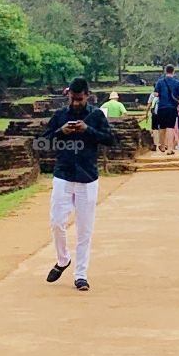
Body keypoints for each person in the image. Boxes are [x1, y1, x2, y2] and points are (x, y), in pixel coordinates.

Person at [44, 78, 115, 291]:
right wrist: (61, 132)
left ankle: (81, 274)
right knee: (57, 222)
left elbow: (110, 140)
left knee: (85, 229)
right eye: (72, 99)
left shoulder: (96, 115)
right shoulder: (60, 116)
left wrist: (87, 130)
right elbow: (43, 141)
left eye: (79, 99)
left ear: (87, 95)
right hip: (63, 173)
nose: (75, 103)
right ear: (68, 96)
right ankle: (63, 259)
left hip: (87, 176)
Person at [154, 63, 179, 154]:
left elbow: (156, 94)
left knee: (162, 127)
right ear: (173, 72)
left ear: (165, 71)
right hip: (172, 107)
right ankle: (170, 148)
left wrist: (161, 94)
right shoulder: (177, 83)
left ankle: (162, 145)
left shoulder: (160, 82)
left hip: (162, 106)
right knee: (170, 127)